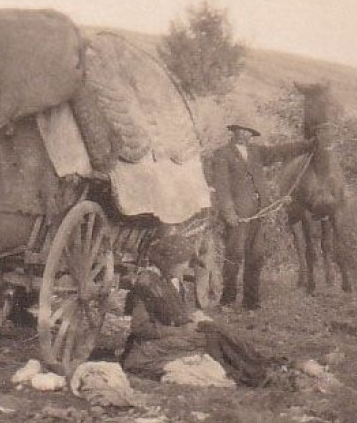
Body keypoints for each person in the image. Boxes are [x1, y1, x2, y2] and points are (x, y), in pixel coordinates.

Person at [120, 238, 287, 388]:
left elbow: (177, 312)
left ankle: (256, 365)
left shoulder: (169, 282)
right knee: (208, 338)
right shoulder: (147, 285)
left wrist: (194, 317)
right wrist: (179, 330)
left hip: (169, 337)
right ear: (168, 262)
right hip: (146, 347)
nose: (187, 267)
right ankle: (246, 373)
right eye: (183, 262)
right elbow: (140, 328)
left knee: (215, 330)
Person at [207, 121, 316, 310]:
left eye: (248, 131)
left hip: (259, 212)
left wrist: (308, 145)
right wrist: (228, 212)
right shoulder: (222, 154)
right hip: (238, 214)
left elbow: (280, 151)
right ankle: (227, 300)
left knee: (256, 256)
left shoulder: (257, 152)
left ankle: (251, 302)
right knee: (234, 255)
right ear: (234, 131)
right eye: (241, 130)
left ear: (252, 135)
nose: (244, 134)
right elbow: (221, 186)